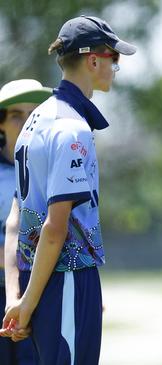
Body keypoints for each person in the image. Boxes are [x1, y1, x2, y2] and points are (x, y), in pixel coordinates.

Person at [0, 15, 136, 364]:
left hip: (36, 278)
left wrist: (17, 297)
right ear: (94, 60)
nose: (116, 68)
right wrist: (26, 304)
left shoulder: (35, 121)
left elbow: (15, 220)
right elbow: (55, 227)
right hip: (67, 278)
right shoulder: (71, 128)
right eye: (114, 59)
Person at [0, 79, 51, 364]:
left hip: (40, 294)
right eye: (16, 115)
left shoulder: (51, 172)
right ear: (1, 123)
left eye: (33, 114)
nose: (26, 122)